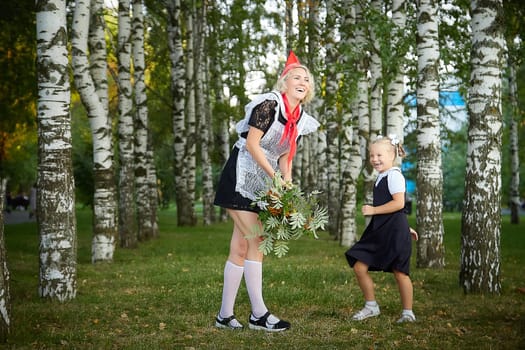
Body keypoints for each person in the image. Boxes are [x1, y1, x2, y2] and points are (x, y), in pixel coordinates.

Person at [213, 51, 320, 332]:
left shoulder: (298, 118)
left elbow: (286, 156)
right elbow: (252, 144)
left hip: (264, 184)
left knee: (239, 248)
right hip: (241, 177)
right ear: (284, 82)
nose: (302, 81)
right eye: (296, 77)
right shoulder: (269, 105)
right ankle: (258, 314)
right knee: (257, 239)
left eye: (307, 80)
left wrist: (287, 185)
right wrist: (276, 179)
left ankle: (225, 316)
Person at [345, 135, 419, 323]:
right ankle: (371, 306)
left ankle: (408, 313)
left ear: (392, 155)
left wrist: (374, 210)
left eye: (379, 155)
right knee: (360, 266)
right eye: (371, 155)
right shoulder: (382, 176)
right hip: (382, 230)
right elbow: (396, 208)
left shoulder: (394, 175)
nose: (375, 159)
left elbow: (399, 203)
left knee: (400, 272)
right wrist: (405, 226)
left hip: (393, 232)